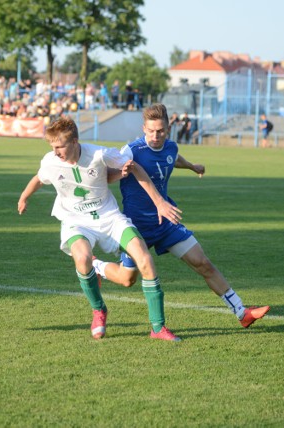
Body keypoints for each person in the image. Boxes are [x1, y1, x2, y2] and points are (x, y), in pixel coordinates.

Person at [92, 104, 270, 329]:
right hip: (136, 228)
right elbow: (107, 176)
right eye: (151, 131)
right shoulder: (130, 150)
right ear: (143, 128)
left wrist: (193, 166)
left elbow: (173, 158)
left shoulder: (170, 147)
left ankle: (242, 312)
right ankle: (96, 266)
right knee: (128, 279)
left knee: (202, 263)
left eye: (161, 131)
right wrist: (120, 173)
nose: (156, 137)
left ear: (168, 128)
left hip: (165, 222)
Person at [17, 116, 184, 341]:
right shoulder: (50, 161)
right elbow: (38, 178)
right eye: (52, 147)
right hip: (75, 220)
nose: (55, 151)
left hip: (109, 217)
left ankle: (157, 328)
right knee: (83, 258)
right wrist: (24, 197)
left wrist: (128, 176)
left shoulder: (99, 154)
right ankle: (99, 310)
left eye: (60, 146)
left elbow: (132, 167)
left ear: (75, 142)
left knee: (145, 259)